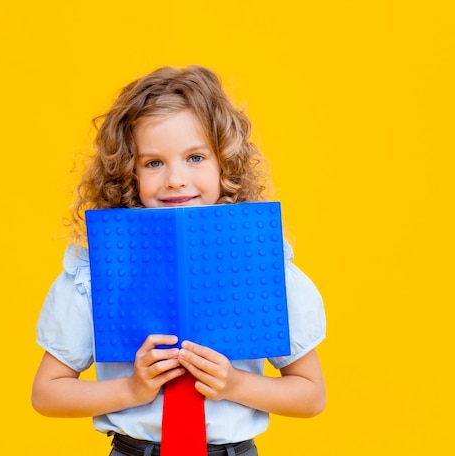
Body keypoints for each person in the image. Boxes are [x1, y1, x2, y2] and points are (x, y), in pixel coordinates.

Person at [32, 65, 326, 456]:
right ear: (128, 174)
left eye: (195, 157)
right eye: (154, 162)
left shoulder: (260, 267)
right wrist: (131, 389)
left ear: (226, 165)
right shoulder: (98, 272)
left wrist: (234, 384)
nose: (175, 179)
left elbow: (311, 395)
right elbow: (47, 393)